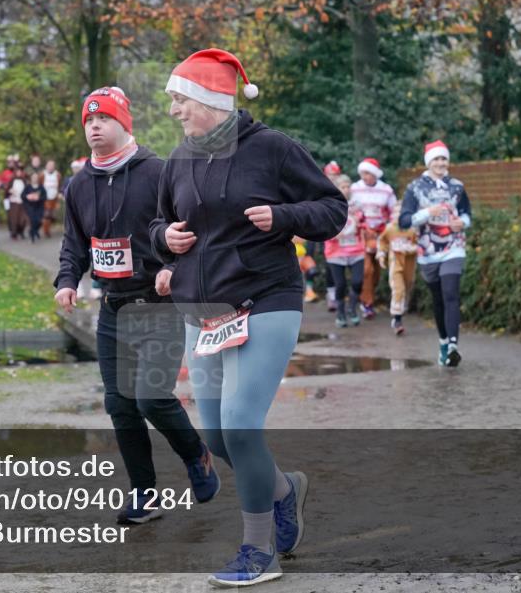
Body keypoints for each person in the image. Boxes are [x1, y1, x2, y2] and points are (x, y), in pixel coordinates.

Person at [149, 49, 346, 587]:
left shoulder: (273, 150)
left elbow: (332, 209)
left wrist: (283, 217)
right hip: (204, 312)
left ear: (211, 100)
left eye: (179, 99)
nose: (173, 110)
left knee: (239, 425)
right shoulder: (180, 159)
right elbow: (160, 224)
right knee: (215, 436)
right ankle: (285, 489)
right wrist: (164, 244)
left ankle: (258, 551)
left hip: (266, 300)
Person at [54, 85, 220, 526]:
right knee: (120, 405)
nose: (94, 127)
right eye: (88, 120)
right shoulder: (79, 185)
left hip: (158, 304)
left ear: (124, 123)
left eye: (103, 118)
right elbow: (75, 243)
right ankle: (145, 495)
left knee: (150, 398)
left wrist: (173, 265)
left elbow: (186, 230)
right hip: (113, 309)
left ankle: (197, 456)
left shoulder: (157, 172)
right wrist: (68, 280)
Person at [399, 140, 471, 367]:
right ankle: (442, 341)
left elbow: (467, 213)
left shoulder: (457, 186)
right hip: (428, 251)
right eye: (436, 159)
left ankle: (452, 346)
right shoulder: (415, 188)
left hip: (453, 246)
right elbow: (404, 221)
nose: (441, 163)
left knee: (451, 293)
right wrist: (427, 212)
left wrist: (463, 222)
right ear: (429, 162)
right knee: (438, 299)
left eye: (444, 159)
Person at [350, 157, 396, 320]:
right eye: (362, 173)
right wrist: (359, 224)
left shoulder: (387, 190)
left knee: (376, 271)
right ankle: (367, 303)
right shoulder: (354, 189)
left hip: (380, 235)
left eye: (368, 173)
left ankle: (367, 296)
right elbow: (349, 210)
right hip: (361, 235)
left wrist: (388, 231)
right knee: (366, 269)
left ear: (375, 174)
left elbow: (393, 212)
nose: (364, 176)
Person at [324, 175, 367, 328]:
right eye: (342, 187)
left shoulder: (357, 205)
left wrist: (359, 222)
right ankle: (341, 312)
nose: (346, 189)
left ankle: (352, 308)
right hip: (336, 252)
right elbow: (322, 227)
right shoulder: (329, 205)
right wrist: (334, 233)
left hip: (356, 250)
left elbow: (365, 223)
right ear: (336, 188)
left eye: (348, 186)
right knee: (340, 284)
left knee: (358, 281)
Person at [377, 200, 418, 335]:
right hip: (395, 264)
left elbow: (420, 245)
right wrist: (381, 255)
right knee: (398, 289)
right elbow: (382, 241)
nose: (397, 215)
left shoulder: (412, 230)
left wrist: (411, 249)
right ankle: (397, 319)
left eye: (400, 213)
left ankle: (402, 307)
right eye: (395, 212)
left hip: (409, 264)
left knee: (407, 286)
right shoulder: (390, 228)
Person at [321, 161, 343, 311]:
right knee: (330, 262)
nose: (333, 178)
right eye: (330, 175)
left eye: (335, 175)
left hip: (346, 232)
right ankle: (331, 294)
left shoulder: (344, 188)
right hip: (326, 231)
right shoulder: (320, 186)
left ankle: (341, 296)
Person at [22, 171, 47, 243]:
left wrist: (38, 198)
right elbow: (22, 196)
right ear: (31, 178)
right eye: (33, 177)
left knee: (39, 221)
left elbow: (45, 197)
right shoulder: (28, 187)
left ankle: (34, 231)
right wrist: (28, 196)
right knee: (33, 221)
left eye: (36, 177)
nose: (35, 179)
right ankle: (32, 237)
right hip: (30, 207)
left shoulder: (41, 187)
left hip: (39, 207)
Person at [6, 167, 29, 240]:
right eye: (17, 171)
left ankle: (21, 231)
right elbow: (7, 190)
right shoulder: (12, 180)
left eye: (20, 171)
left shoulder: (24, 180)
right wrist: (10, 191)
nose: (19, 173)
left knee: (22, 218)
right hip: (14, 201)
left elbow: (27, 190)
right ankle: (14, 233)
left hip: (22, 201)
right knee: (14, 218)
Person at [41, 159, 61, 238]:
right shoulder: (42, 174)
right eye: (49, 165)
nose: (50, 167)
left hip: (54, 198)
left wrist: (59, 193)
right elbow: (39, 184)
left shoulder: (58, 175)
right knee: (47, 214)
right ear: (46, 166)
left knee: (51, 215)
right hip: (45, 198)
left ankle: (46, 228)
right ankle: (46, 231)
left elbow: (60, 185)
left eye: (52, 165)